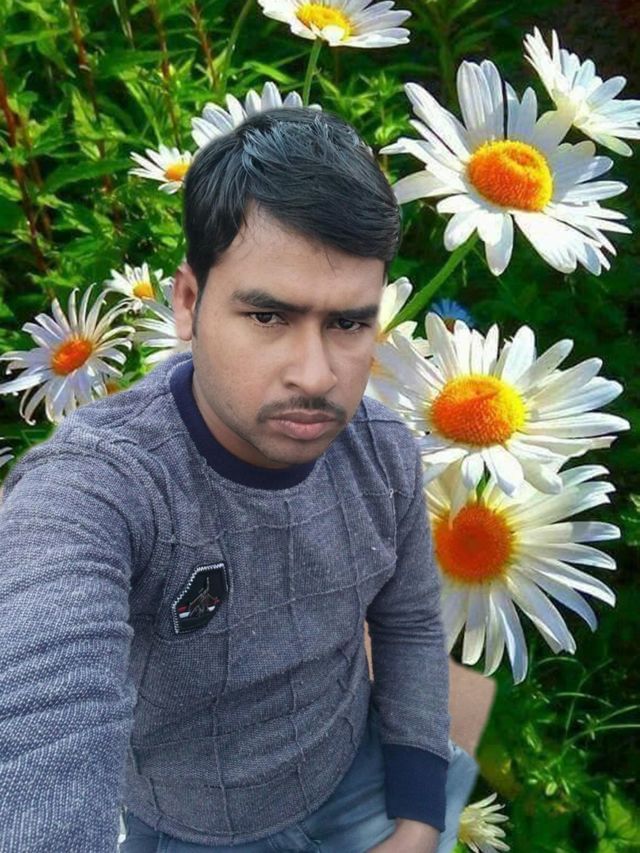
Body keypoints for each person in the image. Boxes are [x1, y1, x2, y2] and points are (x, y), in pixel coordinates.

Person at [0, 108, 480, 853]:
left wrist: (418, 815)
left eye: (349, 324)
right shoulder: (104, 485)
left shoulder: (383, 450)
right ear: (188, 304)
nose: (315, 375)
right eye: (266, 316)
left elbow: (408, 623)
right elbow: (44, 705)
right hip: (193, 827)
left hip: (360, 777)